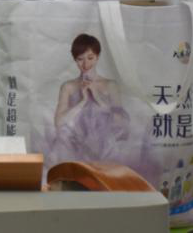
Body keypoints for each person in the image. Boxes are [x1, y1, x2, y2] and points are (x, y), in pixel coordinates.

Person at [48, 33, 133, 162]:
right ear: (75, 59)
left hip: (105, 146)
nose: (85, 64)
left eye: (90, 58)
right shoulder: (68, 87)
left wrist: (97, 96)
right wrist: (82, 101)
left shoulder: (110, 85)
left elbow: (121, 122)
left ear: (97, 57)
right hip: (74, 146)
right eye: (80, 59)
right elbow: (59, 123)